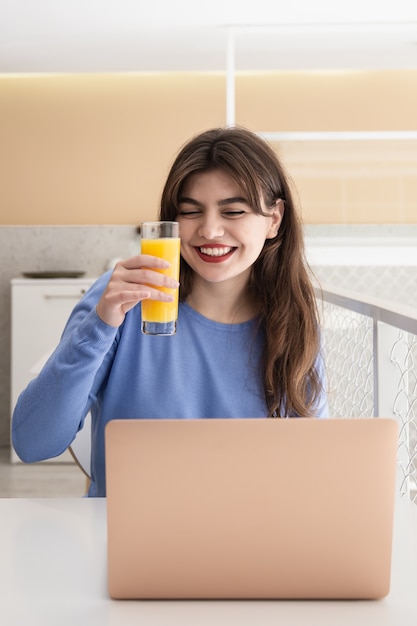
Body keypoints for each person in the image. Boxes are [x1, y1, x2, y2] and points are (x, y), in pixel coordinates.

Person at [12, 126, 328, 497]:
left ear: (274, 219)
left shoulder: (292, 323)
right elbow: (33, 443)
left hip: (247, 540)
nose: (210, 229)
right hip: (129, 538)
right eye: (191, 211)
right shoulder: (121, 301)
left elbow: (309, 467)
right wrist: (99, 324)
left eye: (234, 211)